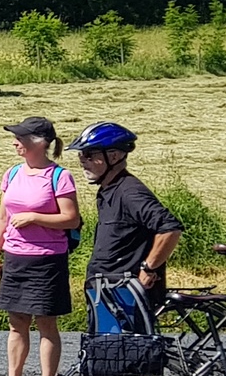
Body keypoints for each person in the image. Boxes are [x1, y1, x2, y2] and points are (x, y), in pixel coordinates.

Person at [0, 117, 80, 376]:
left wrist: (35, 218)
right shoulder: (12, 174)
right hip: (15, 258)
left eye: (20, 138)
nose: (15, 142)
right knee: (17, 323)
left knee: (46, 324)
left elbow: (71, 218)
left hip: (47, 260)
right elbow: (2, 217)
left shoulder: (59, 177)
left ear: (39, 143)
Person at [75, 121, 182, 319]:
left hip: (126, 292)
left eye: (89, 154)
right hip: (107, 288)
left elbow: (170, 228)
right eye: (80, 154)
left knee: (126, 348)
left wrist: (149, 268)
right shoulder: (108, 190)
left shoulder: (130, 192)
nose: (82, 160)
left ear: (114, 156)